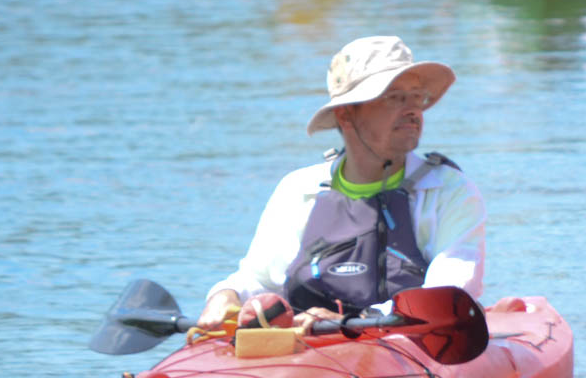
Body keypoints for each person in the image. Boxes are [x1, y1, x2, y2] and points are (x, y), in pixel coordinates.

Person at [196, 36, 486, 330]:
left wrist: (354, 323)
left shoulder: (449, 191)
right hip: (306, 353)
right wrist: (224, 295)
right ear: (345, 114)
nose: (413, 110)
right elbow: (259, 281)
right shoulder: (299, 190)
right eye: (395, 97)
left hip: (404, 350)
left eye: (416, 97)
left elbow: (447, 292)